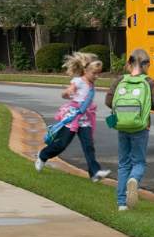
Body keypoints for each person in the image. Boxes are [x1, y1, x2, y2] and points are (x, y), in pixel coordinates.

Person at [35, 52, 111, 182]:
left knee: (88, 146)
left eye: (99, 73)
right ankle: (42, 155)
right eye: (94, 73)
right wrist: (68, 91)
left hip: (85, 119)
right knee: (62, 144)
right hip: (73, 118)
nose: (97, 76)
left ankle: (95, 173)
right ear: (85, 70)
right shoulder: (78, 81)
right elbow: (65, 93)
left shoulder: (91, 83)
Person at [105, 49, 154, 210]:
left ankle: (122, 203)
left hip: (122, 126)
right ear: (147, 65)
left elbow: (109, 101)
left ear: (129, 65)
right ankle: (135, 179)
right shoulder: (149, 82)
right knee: (138, 162)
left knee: (124, 163)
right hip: (141, 127)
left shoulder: (120, 80)